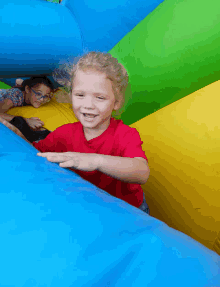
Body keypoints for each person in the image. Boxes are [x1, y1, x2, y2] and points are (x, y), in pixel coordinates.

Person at [1, 52, 150, 213]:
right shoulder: (64, 133)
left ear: (117, 102)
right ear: (70, 95)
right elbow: (38, 152)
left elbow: (141, 171)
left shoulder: (124, 134)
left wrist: (96, 161)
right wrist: (18, 135)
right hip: (93, 207)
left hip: (131, 210)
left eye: (99, 97)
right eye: (80, 95)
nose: (88, 105)